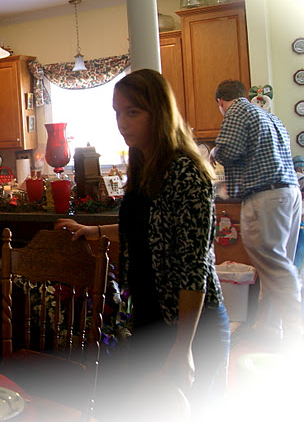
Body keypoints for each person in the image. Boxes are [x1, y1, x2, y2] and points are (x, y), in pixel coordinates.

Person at [55, 69, 228, 414]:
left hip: (189, 326)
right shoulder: (144, 164)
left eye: (132, 112)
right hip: (152, 317)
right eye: (118, 113)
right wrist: (94, 231)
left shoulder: (186, 172)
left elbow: (193, 268)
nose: (122, 122)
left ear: (159, 113)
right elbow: (147, 228)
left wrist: (183, 348)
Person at [212, 79, 303, 343]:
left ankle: (296, 331)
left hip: (267, 196)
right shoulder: (269, 116)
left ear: (220, 102)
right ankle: (269, 329)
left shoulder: (236, 110)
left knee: (273, 264)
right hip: (289, 193)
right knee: (275, 266)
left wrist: (214, 152)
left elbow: (228, 150)